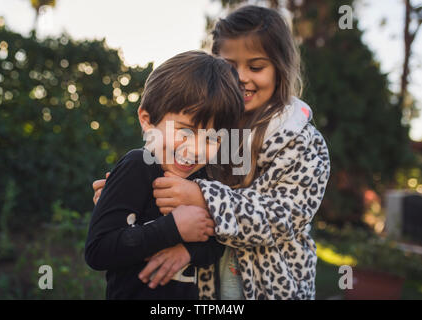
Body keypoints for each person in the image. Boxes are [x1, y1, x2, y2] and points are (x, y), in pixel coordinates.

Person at [93, 5, 331, 300]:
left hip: (268, 283)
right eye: (231, 66)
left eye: (256, 67)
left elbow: (283, 216)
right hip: (205, 284)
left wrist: (202, 197)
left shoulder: (300, 138)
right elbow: (169, 188)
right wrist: (127, 194)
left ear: (280, 70)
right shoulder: (211, 131)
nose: (242, 77)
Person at [85, 50, 245, 299]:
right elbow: (98, 251)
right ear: (148, 121)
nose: (195, 150)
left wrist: (187, 251)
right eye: (185, 131)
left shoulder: (205, 182)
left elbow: (215, 243)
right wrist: (173, 228)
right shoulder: (137, 167)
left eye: (212, 139)